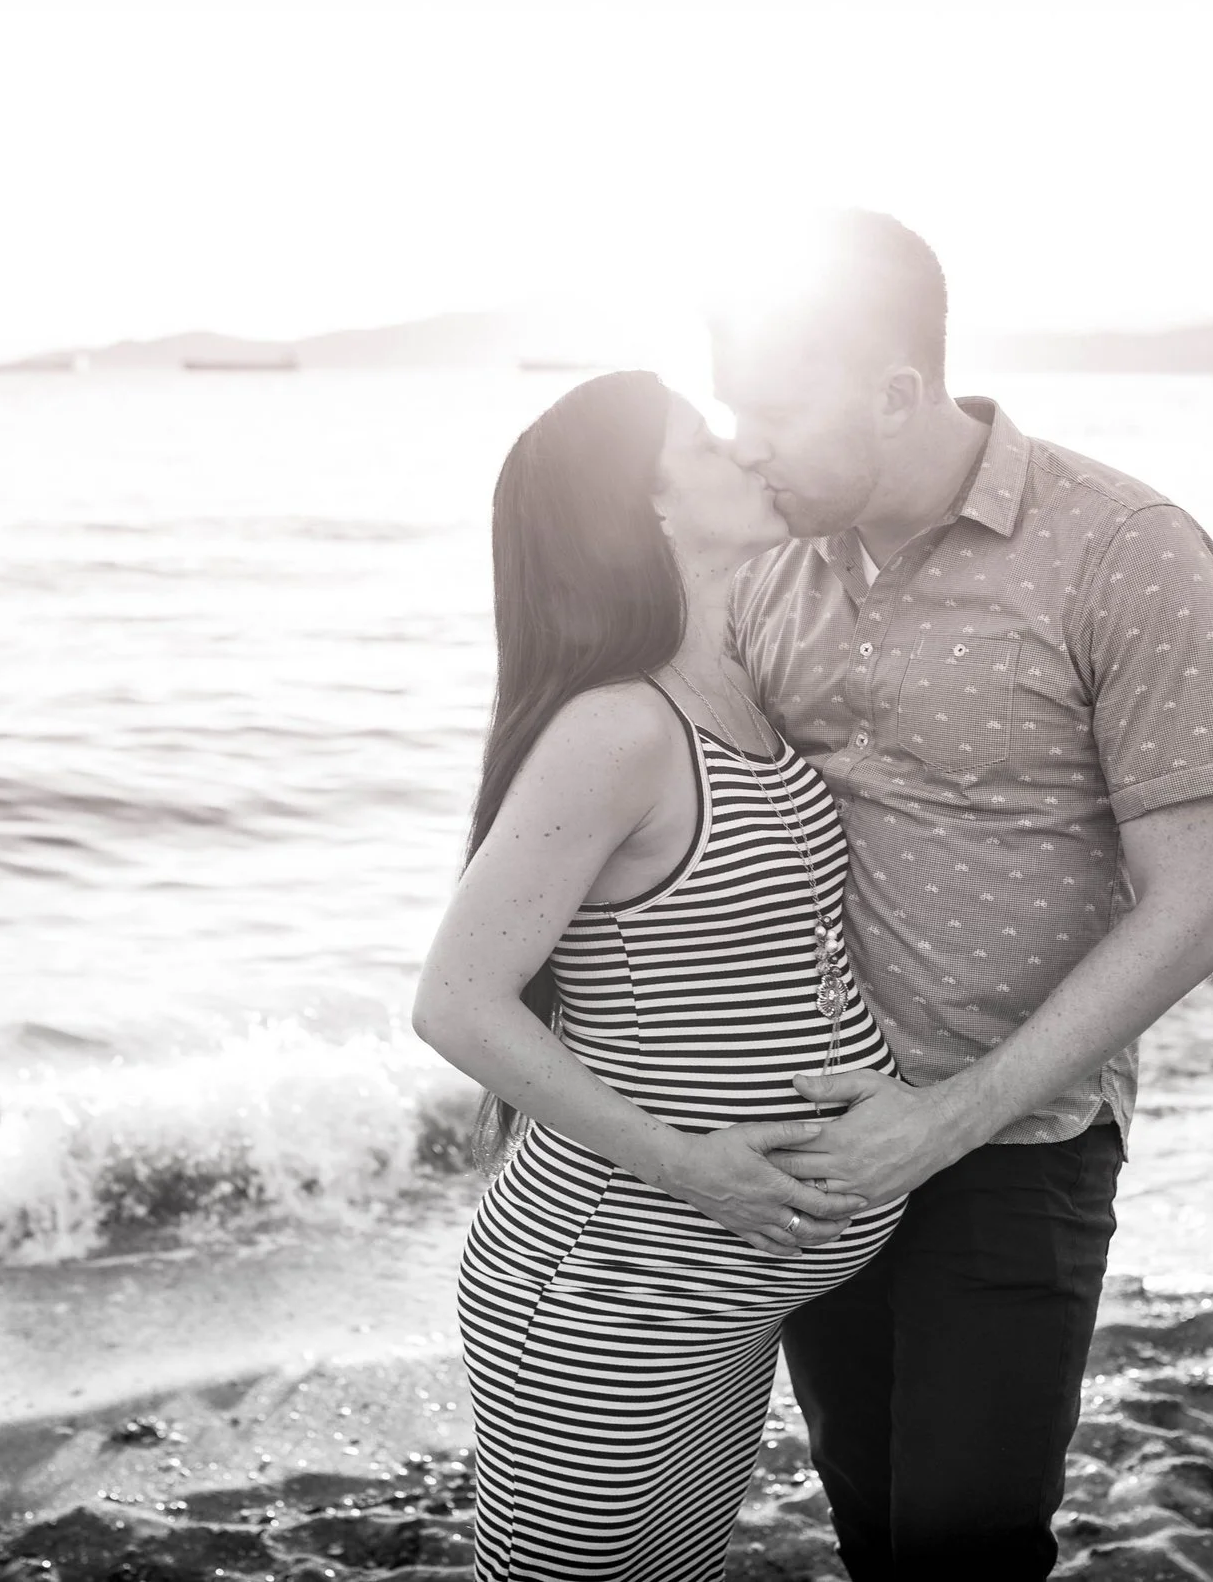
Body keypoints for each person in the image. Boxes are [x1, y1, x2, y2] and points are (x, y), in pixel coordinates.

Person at [714, 211, 1213, 1581]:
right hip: (818, 1143)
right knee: (874, 1522)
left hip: (1017, 1140)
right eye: (733, 408)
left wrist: (943, 1121)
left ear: (900, 391)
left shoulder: (1126, 547)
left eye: (774, 407)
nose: (743, 443)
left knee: (968, 1543)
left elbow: (1196, 905)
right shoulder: (769, 567)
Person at [412, 370, 908, 1581]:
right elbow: (455, 1001)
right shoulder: (618, 729)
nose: (745, 447)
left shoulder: (741, 692)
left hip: (722, 1290)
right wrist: (693, 1166)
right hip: (604, 1292)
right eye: (706, 441)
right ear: (648, 507)